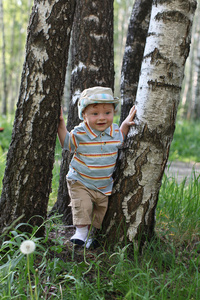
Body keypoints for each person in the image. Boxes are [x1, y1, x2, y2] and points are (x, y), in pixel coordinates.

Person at [57, 86, 136, 248]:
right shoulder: (81, 132)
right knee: (83, 206)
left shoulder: (114, 131)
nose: (102, 118)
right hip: (80, 180)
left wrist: (126, 124)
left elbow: (121, 137)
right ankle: (80, 233)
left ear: (113, 113)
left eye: (107, 113)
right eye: (95, 114)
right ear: (84, 116)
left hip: (104, 184)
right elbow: (66, 143)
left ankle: (91, 236)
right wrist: (60, 125)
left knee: (100, 212)